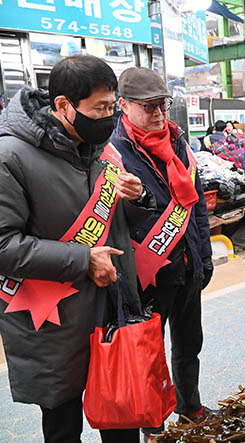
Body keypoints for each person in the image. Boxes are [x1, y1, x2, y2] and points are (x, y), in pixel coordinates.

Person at [0, 55, 154, 442]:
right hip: (52, 320)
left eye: (112, 106)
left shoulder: (103, 150)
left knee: (124, 418)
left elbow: (116, 226)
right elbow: (3, 245)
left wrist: (137, 200)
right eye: (99, 108)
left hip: (111, 309)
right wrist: (82, 259)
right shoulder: (11, 158)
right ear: (64, 105)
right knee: (63, 428)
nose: (108, 116)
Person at [110, 67, 214, 440]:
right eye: (149, 106)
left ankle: (191, 406)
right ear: (123, 105)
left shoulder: (179, 144)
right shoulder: (113, 150)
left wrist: (203, 254)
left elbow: (197, 203)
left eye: (163, 105)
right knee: (148, 355)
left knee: (189, 345)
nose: (158, 114)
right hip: (147, 272)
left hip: (186, 265)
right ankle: (154, 424)